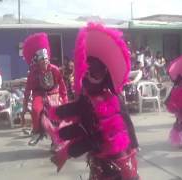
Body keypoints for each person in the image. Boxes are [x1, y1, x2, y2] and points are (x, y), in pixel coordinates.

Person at [47, 23, 139, 179]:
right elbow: (79, 118)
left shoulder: (112, 99)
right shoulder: (88, 101)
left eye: (95, 73)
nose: (90, 77)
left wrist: (67, 152)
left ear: (106, 74)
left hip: (116, 164)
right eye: (86, 73)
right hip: (105, 163)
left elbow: (98, 138)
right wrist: (55, 112)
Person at [21, 32, 68, 146]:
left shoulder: (55, 69)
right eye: (42, 60)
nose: (45, 62)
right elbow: (27, 90)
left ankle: (59, 137)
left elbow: (62, 85)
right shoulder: (33, 73)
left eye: (46, 60)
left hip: (54, 93)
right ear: (37, 61)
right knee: (36, 110)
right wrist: (24, 106)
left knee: (58, 113)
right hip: (39, 94)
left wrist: (65, 100)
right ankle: (37, 132)